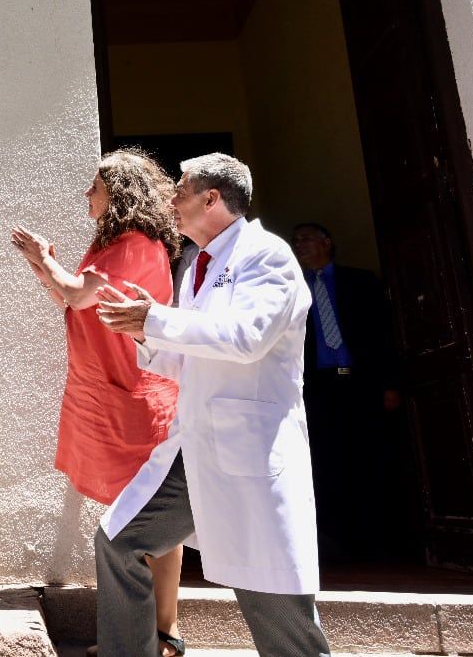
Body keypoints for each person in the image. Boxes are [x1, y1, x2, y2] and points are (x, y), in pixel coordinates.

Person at [95, 153, 329, 657]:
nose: (171, 201)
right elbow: (193, 359)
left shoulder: (266, 255)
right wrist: (144, 333)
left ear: (212, 198)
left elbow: (247, 338)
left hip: (249, 447)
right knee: (119, 541)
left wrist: (156, 320)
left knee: (273, 600)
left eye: (180, 191)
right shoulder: (195, 267)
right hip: (194, 444)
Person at [11, 149, 185, 657]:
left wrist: (45, 259)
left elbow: (77, 294)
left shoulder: (134, 244)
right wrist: (41, 266)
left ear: (119, 194)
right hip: (110, 392)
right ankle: (140, 636)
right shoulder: (115, 244)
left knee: (148, 519)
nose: (88, 194)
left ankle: (161, 633)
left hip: (133, 395)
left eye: (95, 186)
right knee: (131, 518)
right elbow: (70, 297)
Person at [291, 222, 406, 562]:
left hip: (362, 384)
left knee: (371, 459)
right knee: (326, 463)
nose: (299, 245)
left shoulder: (360, 281)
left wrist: (390, 383)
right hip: (318, 388)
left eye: (306, 238)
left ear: (327, 242)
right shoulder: (292, 289)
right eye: (295, 241)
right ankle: (335, 544)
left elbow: (384, 334)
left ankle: (378, 542)